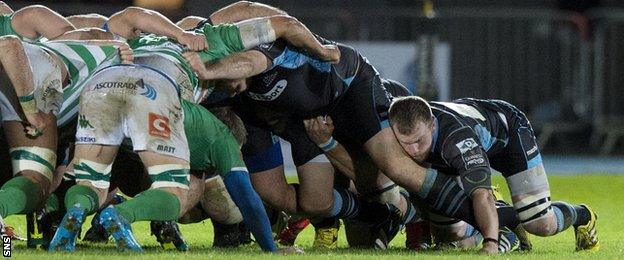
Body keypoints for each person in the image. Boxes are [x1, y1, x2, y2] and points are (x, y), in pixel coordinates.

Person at [387, 96, 599, 252]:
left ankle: (583, 214)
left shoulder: (458, 141)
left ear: (432, 126)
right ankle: (502, 219)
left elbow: (481, 193)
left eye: (419, 141)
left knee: (540, 223)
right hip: (460, 147)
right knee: (450, 236)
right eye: (405, 144)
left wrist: (491, 244)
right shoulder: (393, 130)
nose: (413, 151)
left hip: (509, 136)